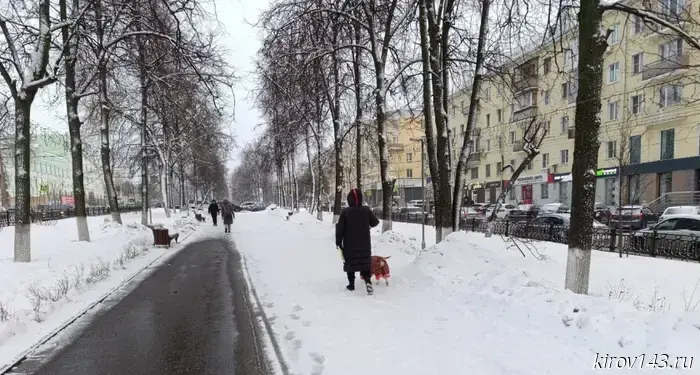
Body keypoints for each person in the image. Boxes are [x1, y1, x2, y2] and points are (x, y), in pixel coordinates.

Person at [335, 188, 380, 294]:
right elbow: (375, 223)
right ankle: (368, 282)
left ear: (349, 200)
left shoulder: (345, 212)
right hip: (364, 244)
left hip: (350, 245)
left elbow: (340, 229)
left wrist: (338, 242)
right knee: (364, 263)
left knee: (350, 264)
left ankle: (351, 285)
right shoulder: (366, 210)